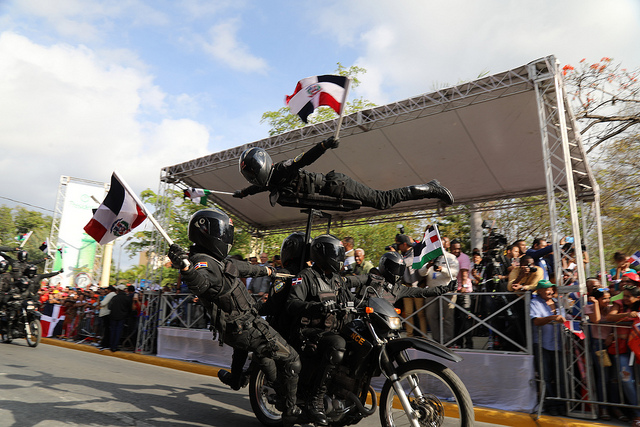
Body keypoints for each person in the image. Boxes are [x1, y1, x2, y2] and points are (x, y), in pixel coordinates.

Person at [167, 208, 302, 421]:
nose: (228, 237)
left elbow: (244, 268)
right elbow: (200, 283)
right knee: (292, 358)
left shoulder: (218, 261)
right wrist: (186, 270)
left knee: (255, 347)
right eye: (225, 232)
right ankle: (290, 405)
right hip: (244, 325)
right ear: (209, 233)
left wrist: (273, 272)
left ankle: (236, 378)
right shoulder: (203, 262)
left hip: (239, 325)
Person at [286, 234, 372, 425]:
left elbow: (352, 299)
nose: (340, 257)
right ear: (324, 253)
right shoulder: (305, 276)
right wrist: (316, 307)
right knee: (337, 343)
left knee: (359, 342)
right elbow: (292, 304)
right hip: (307, 331)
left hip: (330, 330)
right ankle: (315, 401)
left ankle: (344, 393)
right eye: (336, 253)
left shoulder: (336, 279)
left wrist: (370, 305)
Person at [233, 137, 454, 210]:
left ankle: (431, 188)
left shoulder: (281, 169)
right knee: (381, 202)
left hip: (338, 186)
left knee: (382, 201)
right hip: (332, 192)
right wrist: (243, 193)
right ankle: (430, 187)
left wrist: (324, 145)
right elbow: (258, 187)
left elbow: (305, 158)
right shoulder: (270, 181)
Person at [530, 279, 566, 416]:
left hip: (559, 344)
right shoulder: (535, 302)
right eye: (546, 289)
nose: (549, 291)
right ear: (539, 291)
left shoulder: (559, 303)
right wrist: (551, 318)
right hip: (542, 344)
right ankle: (551, 405)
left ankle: (562, 403)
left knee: (561, 376)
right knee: (546, 376)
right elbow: (536, 321)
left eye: (551, 289)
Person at [420, 239, 459, 344]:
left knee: (448, 318)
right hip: (432, 291)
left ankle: (448, 341)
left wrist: (443, 269)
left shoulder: (451, 257)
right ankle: (436, 341)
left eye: (440, 245)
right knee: (431, 316)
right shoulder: (429, 257)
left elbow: (455, 272)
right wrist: (428, 266)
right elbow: (421, 272)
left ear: (445, 245)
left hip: (447, 291)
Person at [395, 234, 428, 337]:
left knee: (420, 313)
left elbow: (406, 262)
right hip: (407, 287)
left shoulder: (414, 252)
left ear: (405, 244)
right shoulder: (403, 254)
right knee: (408, 313)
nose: (398, 247)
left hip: (418, 286)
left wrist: (395, 254)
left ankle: (424, 335)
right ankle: (410, 334)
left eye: (399, 245)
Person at [108, 284, 131, 352]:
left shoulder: (114, 298)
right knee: (118, 331)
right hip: (122, 317)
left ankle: (111, 345)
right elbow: (129, 308)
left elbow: (110, 307)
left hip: (113, 316)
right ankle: (115, 346)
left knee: (113, 331)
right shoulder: (127, 298)